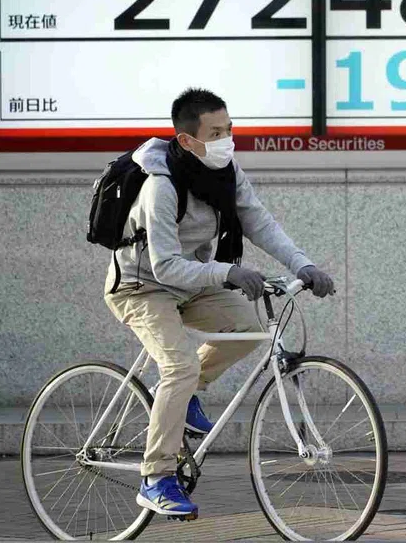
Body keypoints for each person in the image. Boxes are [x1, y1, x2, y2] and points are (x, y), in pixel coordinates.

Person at [103, 87, 335, 518]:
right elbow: (165, 266)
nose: (227, 140)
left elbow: (258, 221)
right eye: (215, 133)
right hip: (142, 286)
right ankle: (156, 478)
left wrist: (303, 264)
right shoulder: (161, 186)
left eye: (229, 129)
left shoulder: (226, 172)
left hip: (192, 282)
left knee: (249, 330)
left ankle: (180, 395)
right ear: (187, 139)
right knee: (179, 366)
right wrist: (227, 272)